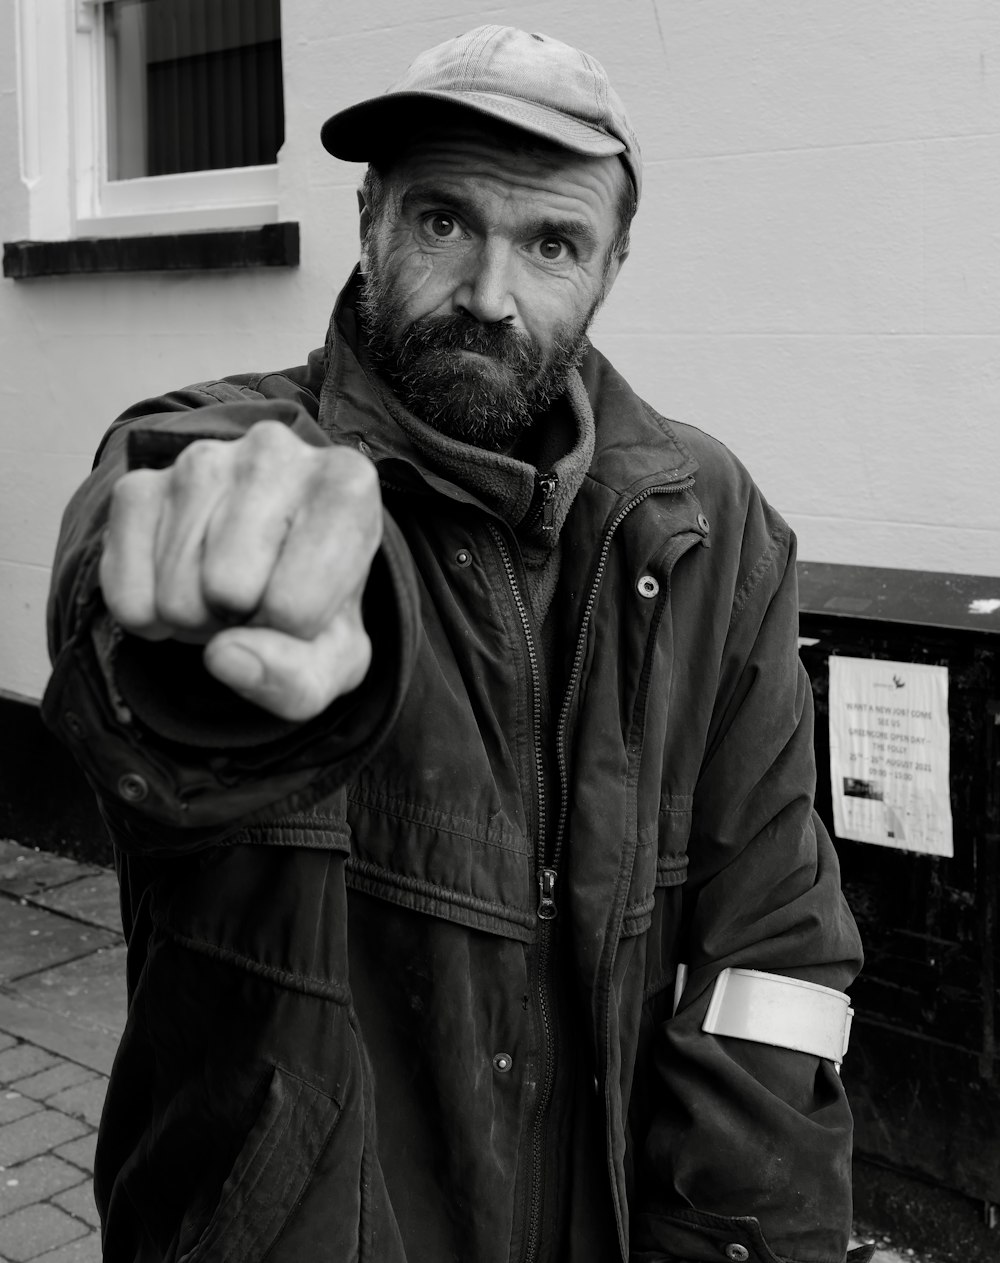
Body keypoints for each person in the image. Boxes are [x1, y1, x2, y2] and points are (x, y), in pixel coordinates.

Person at [44, 25, 874, 1263]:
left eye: (550, 244)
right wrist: (231, 621)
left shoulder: (714, 525)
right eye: (444, 224)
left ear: (612, 265)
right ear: (371, 216)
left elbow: (775, 949)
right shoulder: (229, 452)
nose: (491, 294)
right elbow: (146, 546)